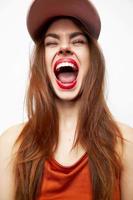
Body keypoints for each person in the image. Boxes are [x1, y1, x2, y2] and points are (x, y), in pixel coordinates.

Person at [0, 0, 133, 199]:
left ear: (92, 59)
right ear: (42, 62)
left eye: (77, 41)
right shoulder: (11, 145)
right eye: (52, 42)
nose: (64, 47)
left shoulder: (126, 144)